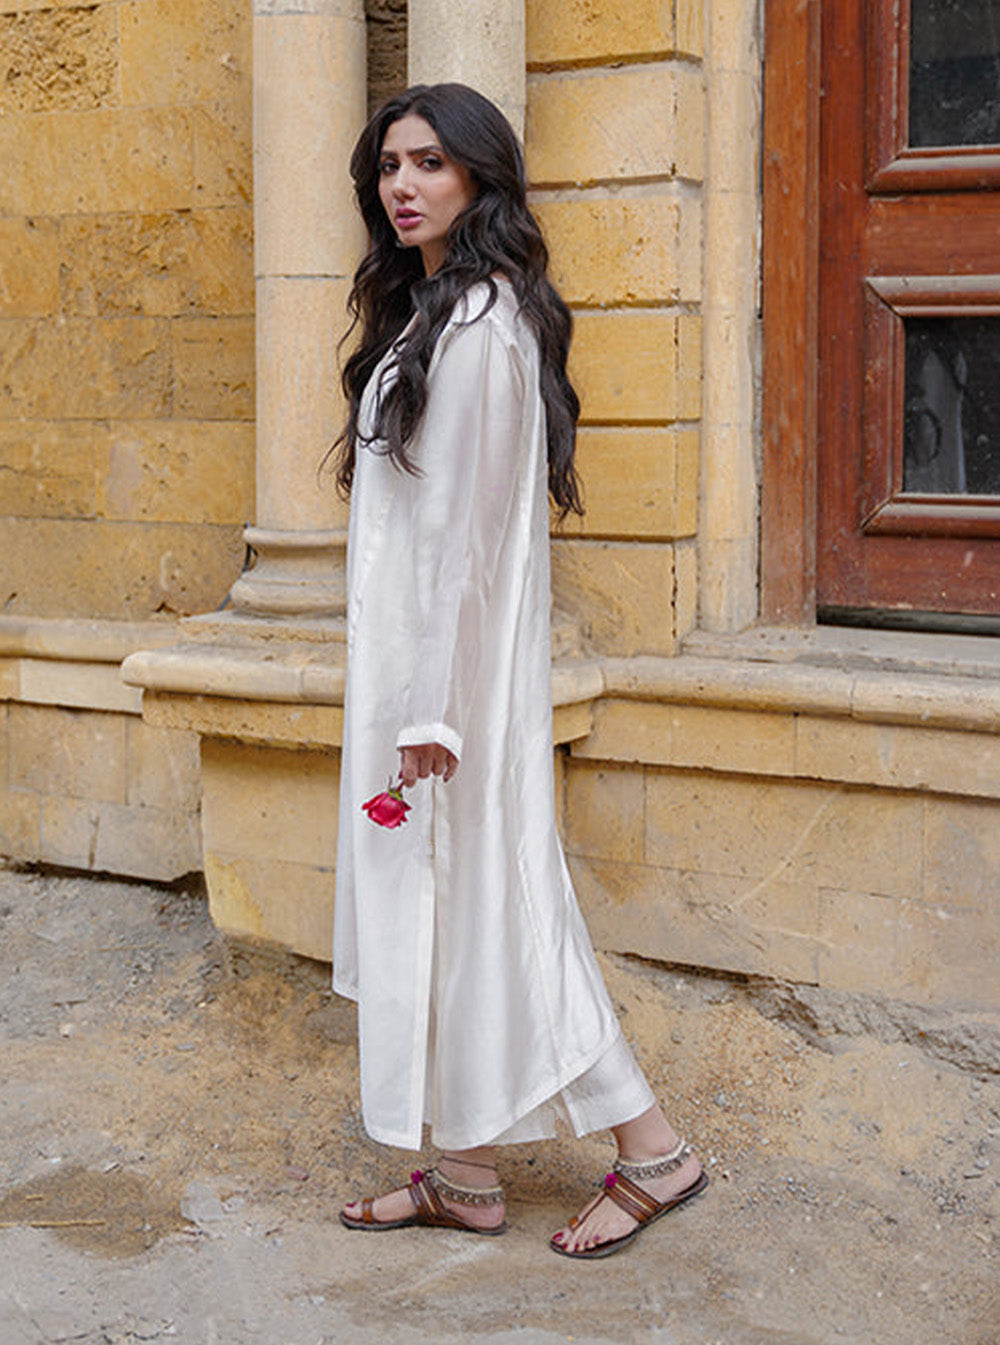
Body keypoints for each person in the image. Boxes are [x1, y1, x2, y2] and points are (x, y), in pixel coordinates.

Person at [331, 82, 707, 1259]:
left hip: (448, 691)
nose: (403, 185)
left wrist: (434, 710)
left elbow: (468, 542)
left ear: (480, 178)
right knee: (446, 912)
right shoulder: (430, 315)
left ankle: (655, 1149)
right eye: (390, 164)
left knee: (502, 906)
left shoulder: (484, 330)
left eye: (430, 163)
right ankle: (465, 1174)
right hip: (414, 677)